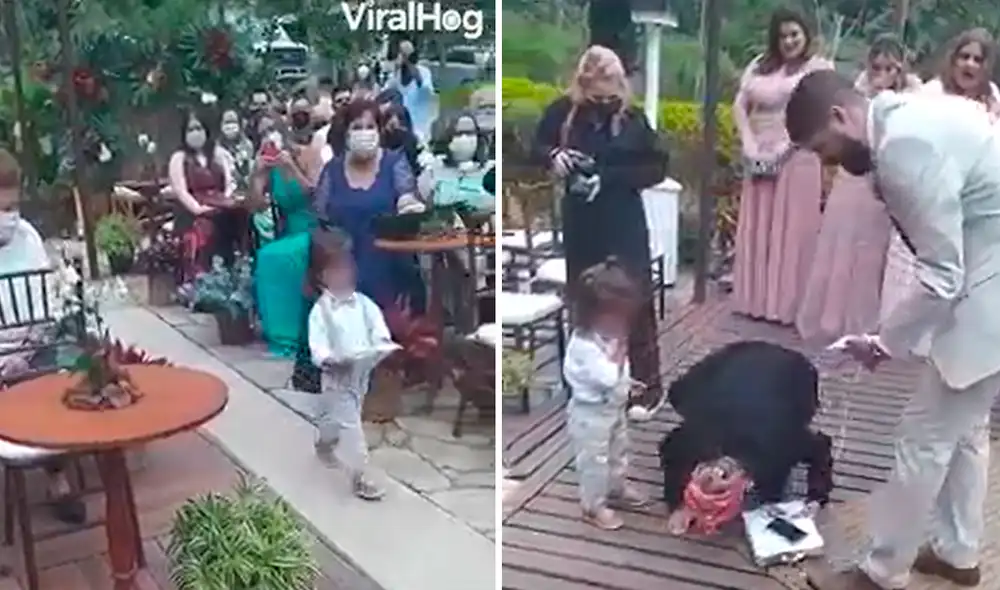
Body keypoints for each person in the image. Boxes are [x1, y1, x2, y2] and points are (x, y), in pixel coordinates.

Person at [786, 69, 1000, 590]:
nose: (827, 163)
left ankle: (880, 574)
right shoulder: (900, 114)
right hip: (987, 275)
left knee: (921, 440)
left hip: (989, 290)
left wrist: (884, 342)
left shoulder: (905, 145)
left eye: (823, 148)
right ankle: (958, 553)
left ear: (841, 116)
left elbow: (942, 275)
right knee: (967, 430)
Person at [534, 45, 666, 406]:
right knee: (586, 295)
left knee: (633, 298)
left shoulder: (633, 119)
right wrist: (554, 157)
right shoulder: (564, 113)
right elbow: (535, 146)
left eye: (609, 84)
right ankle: (587, 377)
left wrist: (607, 178)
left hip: (622, 217)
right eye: (595, 85)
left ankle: (644, 385)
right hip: (582, 219)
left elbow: (656, 168)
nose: (603, 93)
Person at [796, 35, 921, 344]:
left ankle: (872, 319)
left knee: (873, 250)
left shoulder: (914, 91)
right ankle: (834, 315)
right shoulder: (859, 85)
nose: (880, 70)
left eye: (888, 65)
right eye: (876, 64)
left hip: (884, 177)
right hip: (852, 178)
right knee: (841, 243)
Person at [659, 340, 833, 535]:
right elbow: (670, 448)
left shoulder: (784, 439)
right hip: (734, 360)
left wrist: (816, 499)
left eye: (721, 478)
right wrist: (678, 504)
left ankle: (765, 486)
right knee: (682, 402)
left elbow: (821, 449)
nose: (717, 473)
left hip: (794, 372)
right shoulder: (698, 428)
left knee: (772, 490)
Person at [0, 149, 86, 524]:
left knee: (54, 384)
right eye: (1, 208)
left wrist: (24, 349)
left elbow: (43, 305)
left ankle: (59, 479)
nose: (9, 216)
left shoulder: (28, 237)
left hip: (31, 346)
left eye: (13, 206)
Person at [731, 8, 832, 324]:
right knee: (759, 225)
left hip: (798, 155)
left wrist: (783, 149)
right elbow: (740, 105)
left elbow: (819, 115)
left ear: (806, 35)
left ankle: (786, 306)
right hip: (758, 154)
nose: (789, 41)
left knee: (792, 229)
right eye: (783, 36)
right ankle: (755, 300)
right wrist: (749, 143)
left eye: (794, 35)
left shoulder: (818, 69)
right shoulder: (759, 65)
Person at [307, 227, 393, 501]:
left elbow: (378, 329)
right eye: (336, 270)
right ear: (321, 276)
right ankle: (361, 476)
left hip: (360, 375)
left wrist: (381, 346)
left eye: (347, 267)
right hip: (336, 378)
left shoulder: (365, 304)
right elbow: (317, 344)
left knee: (336, 422)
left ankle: (324, 441)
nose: (343, 274)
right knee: (352, 427)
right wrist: (328, 358)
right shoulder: (321, 311)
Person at [315, 99, 426, 309]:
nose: (364, 133)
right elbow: (320, 218)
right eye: (357, 127)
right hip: (345, 270)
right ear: (346, 133)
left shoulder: (394, 163)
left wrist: (409, 205)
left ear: (379, 131)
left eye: (370, 127)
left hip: (391, 270)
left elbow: (406, 196)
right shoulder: (332, 171)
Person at [563, 258, 648, 530]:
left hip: (612, 410)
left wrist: (629, 382)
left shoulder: (606, 337)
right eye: (616, 317)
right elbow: (608, 375)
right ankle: (593, 505)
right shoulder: (584, 345)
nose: (621, 325)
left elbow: (616, 376)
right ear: (591, 314)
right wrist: (622, 349)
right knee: (594, 462)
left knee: (617, 451)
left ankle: (616, 486)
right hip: (590, 417)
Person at [167, 106, 240, 283]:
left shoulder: (218, 154)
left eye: (199, 128)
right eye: (191, 129)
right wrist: (198, 209)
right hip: (192, 211)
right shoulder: (179, 158)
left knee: (241, 218)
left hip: (221, 205)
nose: (196, 133)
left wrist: (227, 199)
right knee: (206, 227)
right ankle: (203, 278)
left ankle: (235, 271)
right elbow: (181, 191)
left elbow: (231, 180)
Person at [425, 112, 492, 209]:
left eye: (470, 133)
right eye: (459, 134)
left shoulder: (491, 170)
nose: (464, 138)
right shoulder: (433, 170)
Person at [384, 39, 436, 142]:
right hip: (403, 128)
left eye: (404, 55)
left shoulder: (423, 73)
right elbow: (385, 94)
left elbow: (428, 94)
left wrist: (416, 76)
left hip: (420, 128)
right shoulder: (395, 77)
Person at [218, 108, 255, 192]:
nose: (230, 126)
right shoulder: (217, 147)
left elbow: (248, 165)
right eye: (227, 123)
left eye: (233, 122)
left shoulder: (247, 144)